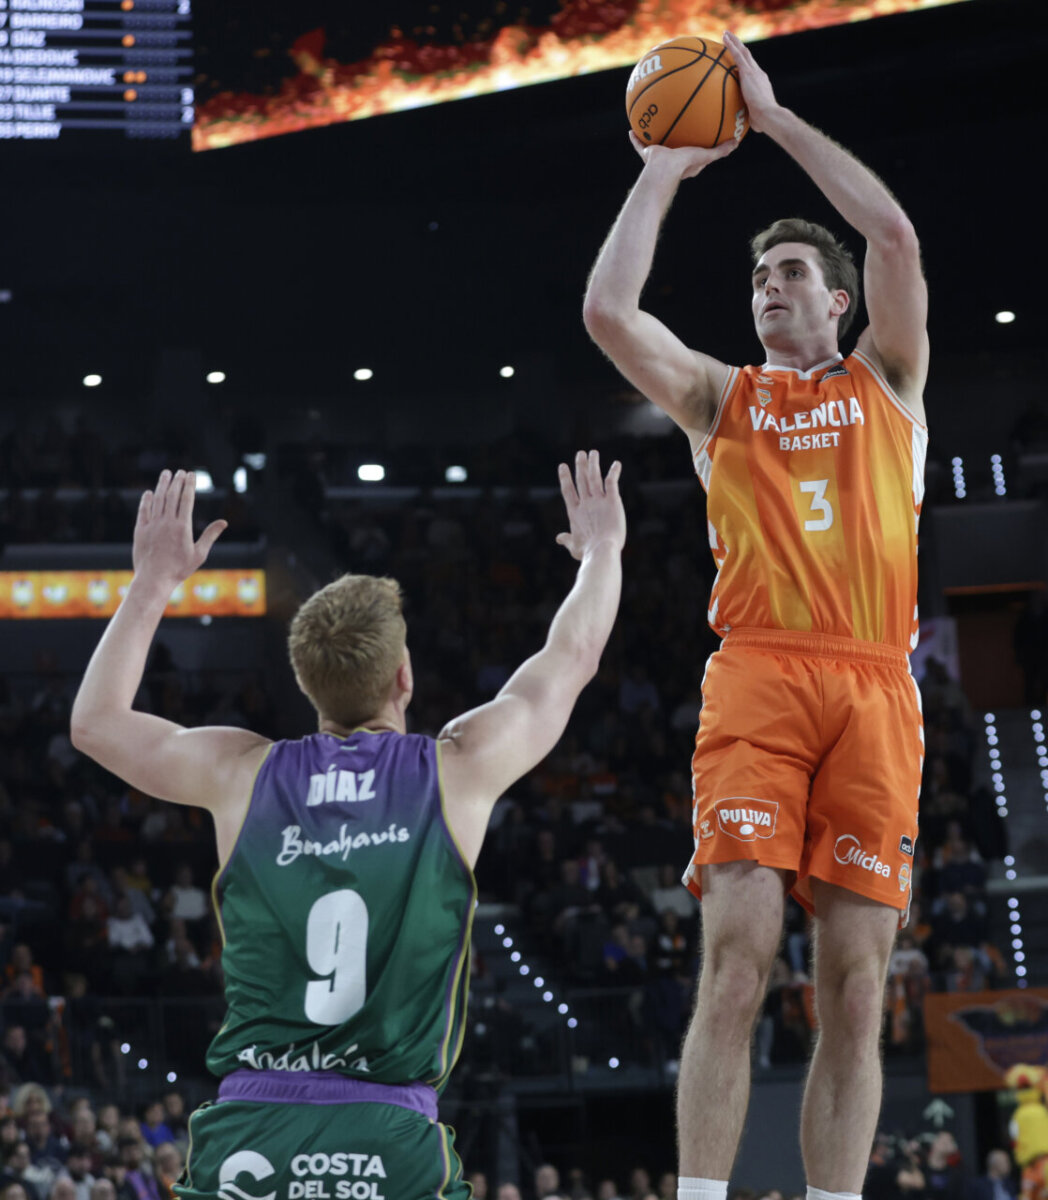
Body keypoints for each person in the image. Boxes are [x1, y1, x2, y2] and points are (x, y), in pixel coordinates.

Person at [70, 454, 625, 1200]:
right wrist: (601, 552)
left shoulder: (241, 772)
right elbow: (573, 655)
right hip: (387, 1135)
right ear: (404, 677)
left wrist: (153, 584)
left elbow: (97, 724)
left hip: (249, 1131)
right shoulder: (456, 767)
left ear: (305, 684)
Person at [583, 28, 928, 1200]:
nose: (768, 288)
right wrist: (664, 166)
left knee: (855, 986)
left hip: (877, 682)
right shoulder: (717, 398)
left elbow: (892, 234)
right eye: (755, 278)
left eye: (787, 274)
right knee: (733, 965)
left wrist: (770, 120)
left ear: (834, 302)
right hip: (761, 675)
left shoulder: (887, 380)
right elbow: (608, 311)